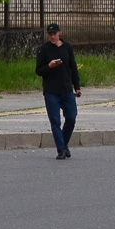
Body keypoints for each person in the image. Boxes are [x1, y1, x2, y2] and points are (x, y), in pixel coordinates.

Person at [35, 24, 81, 160]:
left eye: (54, 34)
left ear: (59, 33)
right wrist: (49, 66)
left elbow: (73, 67)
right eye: (50, 34)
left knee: (71, 117)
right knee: (55, 121)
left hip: (66, 89)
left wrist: (77, 86)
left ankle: (64, 143)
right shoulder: (43, 50)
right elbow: (38, 71)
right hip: (51, 91)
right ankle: (61, 149)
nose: (52, 36)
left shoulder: (67, 47)